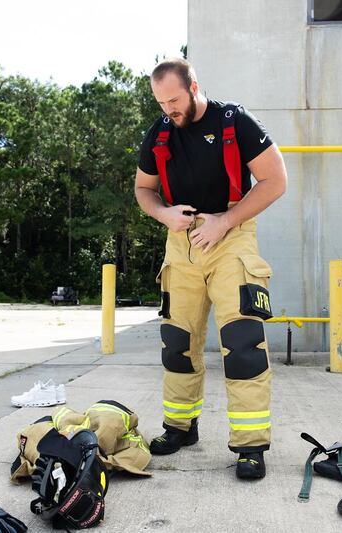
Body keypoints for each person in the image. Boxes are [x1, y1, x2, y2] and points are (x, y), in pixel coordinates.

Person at [134, 58, 287, 480]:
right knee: (177, 343)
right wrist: (164, 215)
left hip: (230, 236)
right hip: (180, 244)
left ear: (194, 86)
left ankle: (250, 445)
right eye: (161, 101)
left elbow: (276, 180)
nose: (169, 109)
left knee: (243, 343)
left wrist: (223, 222)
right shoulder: (160, 132)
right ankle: (180, 428)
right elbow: (143, 189)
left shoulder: (234, 121)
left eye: (175, 99)